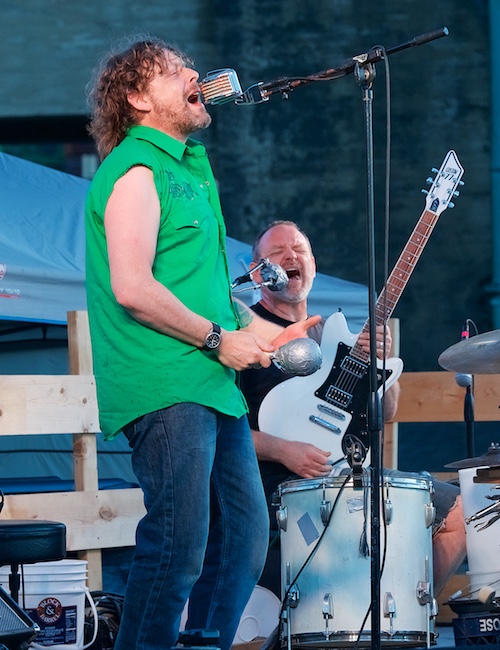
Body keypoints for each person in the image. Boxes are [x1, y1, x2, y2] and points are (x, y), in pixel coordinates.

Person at [84, 38, 319, 650]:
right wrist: (219, 341)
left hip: (213, 384)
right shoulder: (136, 170)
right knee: (180, 541)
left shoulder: (189, 167)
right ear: (137, 97)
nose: (194, 74)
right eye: (173, 72)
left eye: (190, 67)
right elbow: (133, 288)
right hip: (167, 381)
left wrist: (260, 334)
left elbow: (203, 288)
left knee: (244, 537)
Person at [239, 220, 467, 596]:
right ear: (256, 272)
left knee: (457, 513)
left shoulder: (334, 333)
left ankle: (406, 618)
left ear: (313, 263)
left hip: (352, 474)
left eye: (299, 250)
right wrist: (284, 450)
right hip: (279, 484)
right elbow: (220, 431)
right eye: (277, 252)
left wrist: (382, 362)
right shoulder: (244, 334)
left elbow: (386, 411)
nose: (290, 257)